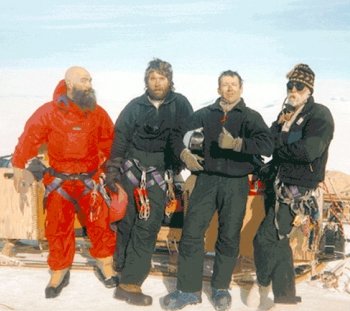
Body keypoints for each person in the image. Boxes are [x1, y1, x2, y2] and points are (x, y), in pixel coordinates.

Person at [162, 70, 274, 311]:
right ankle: (188, 290)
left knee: (229, 235)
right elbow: (176, 136)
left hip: (236, 182)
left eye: (233, 84)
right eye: (225, 85)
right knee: (191, 232)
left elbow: (267, 144)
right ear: (218, 89)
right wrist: (184, 154)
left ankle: (221, 288)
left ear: (241, 88)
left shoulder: (249, 117)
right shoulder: (204, 115)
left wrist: (238, 144)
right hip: (206, 179)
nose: (229, 88)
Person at [11, 66, 118, 298]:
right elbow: (30, 137)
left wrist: (112, 168)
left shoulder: (98, 113)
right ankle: (59, 270)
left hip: (90, 181)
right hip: (59, 182)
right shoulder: (48, 112)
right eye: (84, 80)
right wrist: (18, 164)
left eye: (90, 79)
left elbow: (109, 142)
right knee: (58, 229)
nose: (89, 84)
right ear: (69, 83)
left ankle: (105, 263)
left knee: (100, 224)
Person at [105, 58, 194, 306]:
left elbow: (187, 136)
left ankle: (129, 283)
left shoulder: (180, 105)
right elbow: (120, 140)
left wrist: (182, 161)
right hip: (130, 169)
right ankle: (121, 265)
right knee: (126, 222)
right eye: (153, 78)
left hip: (158, 174)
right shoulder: (134, 107)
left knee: (147, 226)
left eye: (162, 78)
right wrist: (113, 171)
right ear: (147, 81)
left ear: (169, 80)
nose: (157, 82)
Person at [249, 64, 334, 309]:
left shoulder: (319, 114)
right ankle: (285, 296)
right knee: (279, 239)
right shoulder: (286, 114)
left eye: (299, 86)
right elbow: (268, 142)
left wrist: (279, 147)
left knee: (265, 238)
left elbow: (309, 151)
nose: (293, 90)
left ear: (309, 89)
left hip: (298, 188)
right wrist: (278, 127)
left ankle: (263, 285)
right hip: (277, 184)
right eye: (290, 85)